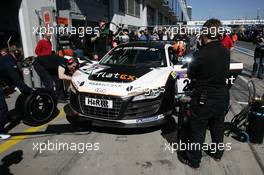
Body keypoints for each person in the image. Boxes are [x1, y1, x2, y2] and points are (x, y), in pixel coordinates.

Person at [177, 19, 230, 169]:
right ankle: (217, 154)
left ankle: (194, 160)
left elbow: (190, 73)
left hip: (204, 98)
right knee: (218, 126)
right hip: (222, 96)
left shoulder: (201, 53)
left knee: (198, 130)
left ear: (205, 33)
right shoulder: (225, 50)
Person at [0, 46, 33, 140]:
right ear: (16, 52)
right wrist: (29, 90)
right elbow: (16, 80)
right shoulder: (9, 62)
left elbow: (9, 77)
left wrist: (15, 86)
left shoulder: (7, 59)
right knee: (2, 108)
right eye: (20, 53)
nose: (21, 55)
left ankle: (4, 119)